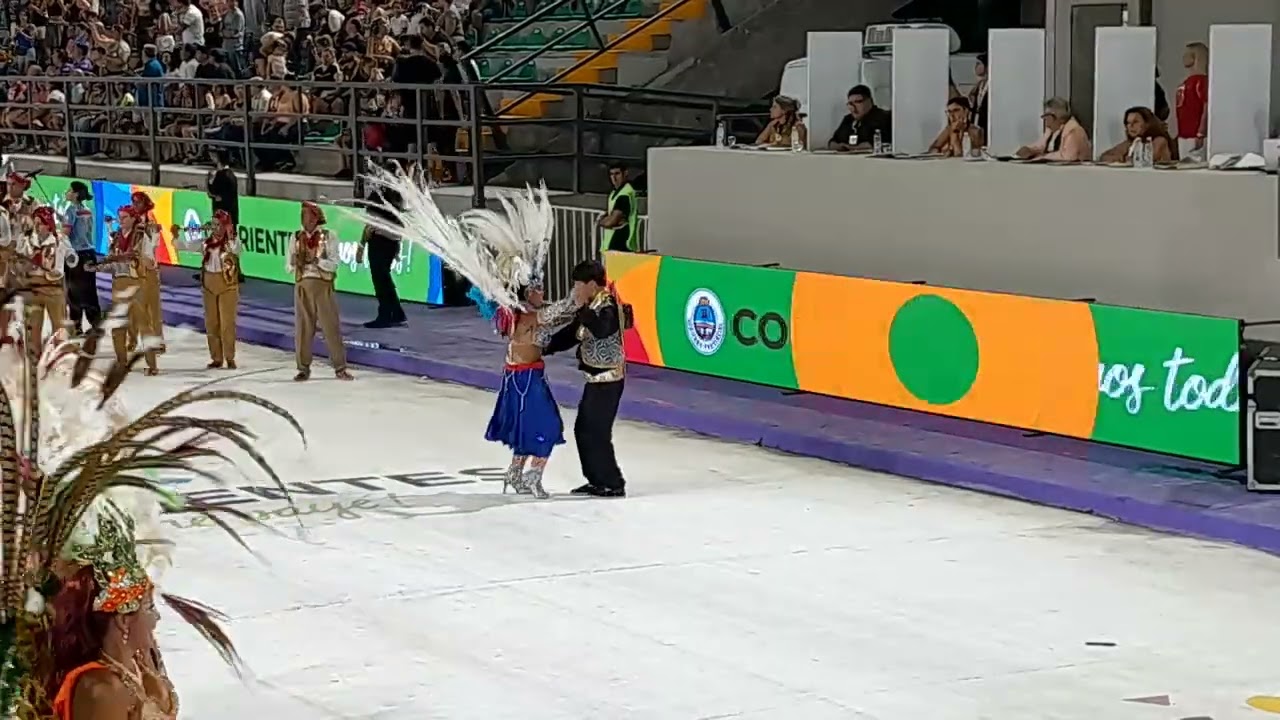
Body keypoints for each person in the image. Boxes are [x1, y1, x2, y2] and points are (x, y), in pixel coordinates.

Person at [0, 305, 303, 720]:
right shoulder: (97, 687)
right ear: (120, 615)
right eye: (146, 604)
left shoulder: (142, 662)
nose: (157, 615)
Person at [356, 167, 571, 498]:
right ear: (527, 291)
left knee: (529, 430)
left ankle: (515, 474)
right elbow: (561, 312)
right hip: (526, 380)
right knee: (546, 428)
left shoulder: (520, 313)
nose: (543, 293)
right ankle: (527, 478)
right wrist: (581, 300)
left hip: (521, 378)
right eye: (538, 289)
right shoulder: (529, 316)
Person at [544, 259, 631, 498]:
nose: (575, 290)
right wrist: (545, 347)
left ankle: (613, 482)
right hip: (594, 380)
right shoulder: (591, 306)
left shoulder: (608, 306)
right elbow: (573, 333)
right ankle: (595, 479)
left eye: (578, 284)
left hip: (609, 381)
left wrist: (583, 309)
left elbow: (603, 330)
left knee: (598, 432)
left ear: (591, 284)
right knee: (584, 429)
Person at [285, 202, 354, 381]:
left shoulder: (329, 236)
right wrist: (295, 262)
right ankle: (303, 368)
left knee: (331, 327)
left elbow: (334, 264)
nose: (302, 219)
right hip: (302, 286)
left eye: (306, 215)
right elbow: (288, 267)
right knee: (302, 329)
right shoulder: (295, 237)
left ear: (315, 217)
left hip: (322, 285)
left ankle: (340, 367)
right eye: (301, 215)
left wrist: (316, 261)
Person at [100, 208, 160, 375]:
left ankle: (152, 364)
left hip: (136, 282)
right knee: (118, 325)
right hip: (118, 282)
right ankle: (121, 361)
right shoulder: (116, 237)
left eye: (125, 217)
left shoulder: (142, 236)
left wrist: (136, 257)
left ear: (134, 219)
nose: (121, 221)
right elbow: (111, 259)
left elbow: (150, 262)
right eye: (120, 218)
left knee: (143, 324)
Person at [22, 205, 76, 348]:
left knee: (59, 324)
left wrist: (70, 258)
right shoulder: (28, 240)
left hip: (53, 286)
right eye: (35, 223)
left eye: (40, 224)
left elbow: (72, 257)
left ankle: (60, 355)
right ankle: (35, 356)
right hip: (33, 287)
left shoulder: (59, 240)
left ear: (48, 224)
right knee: (33, 325)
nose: (36, 227)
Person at [356, 178, 407, 328]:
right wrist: (397, 244)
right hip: (390, 241)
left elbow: (371, 224)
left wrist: (362, 245)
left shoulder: (378, 197)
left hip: (380, 240)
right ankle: (396, 312)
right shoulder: (396, 197)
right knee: (385, 279)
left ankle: (386, 314)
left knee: (381, 280)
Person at [129, 191, 166, 355]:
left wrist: (146, 232)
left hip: (148, 269)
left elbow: (153, 246)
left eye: (138, 203)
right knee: (131, 306)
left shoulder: (151, 224)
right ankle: (132, 339)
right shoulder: (129, 223)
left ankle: (157, 341)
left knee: (152, 308)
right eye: (133, 202)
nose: (135, 206)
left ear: (145, 205)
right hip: (132, 269)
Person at [63, 180, 101, 335]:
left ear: (76, 194)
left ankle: (76, 326)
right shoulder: (88, 210)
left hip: (76, 255)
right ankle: (96, 324)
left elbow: (65, 233)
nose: (66, 192)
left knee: (74, 291)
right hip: (90, 254)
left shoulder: (70, 210)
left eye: (69, 190)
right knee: (90, 290)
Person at [1015, 97, 1092, 163]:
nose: (1045, 122)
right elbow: (1040, 145)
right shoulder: (1051, 130)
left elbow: (1067, 157)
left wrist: (1042, 157)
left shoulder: (1074, 130)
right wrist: (1029, 150)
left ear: (1057, 116)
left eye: (1046, 117)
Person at [1099, 106, 1175, 164]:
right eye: (1128, 123)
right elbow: (1104, 157)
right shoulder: (1130, 143)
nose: (1131, 126)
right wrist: (1120, 157)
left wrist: (1122, 158)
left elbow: (1145, 159)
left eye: (1135, 122)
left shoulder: (1160, 140)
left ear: (1147, 124)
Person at [827, 85, 892, 152]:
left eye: (857, 102)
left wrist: (852, 148)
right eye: (850, 103)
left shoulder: (884, 117)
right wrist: (838, 146)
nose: (853, 107)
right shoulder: (848, 119)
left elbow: (881, 143)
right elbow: (833, 141)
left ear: (869, 101)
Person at [1176, 41, 1209, 162]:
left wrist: (1201, 132)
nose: (1183, 57)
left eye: (1187, 54)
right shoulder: (1186, 82)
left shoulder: (1201, 82)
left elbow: (1206, 106)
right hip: (1183, 134)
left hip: (1195, 135)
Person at [598, 163, 638, 254]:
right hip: (613, 243)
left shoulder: (624, 195)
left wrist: (602, 221)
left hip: (621, 244)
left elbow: (611, 221)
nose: (614, 178)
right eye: (611, 174)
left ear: (625, 174)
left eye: (617, 174)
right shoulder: (615, 193)